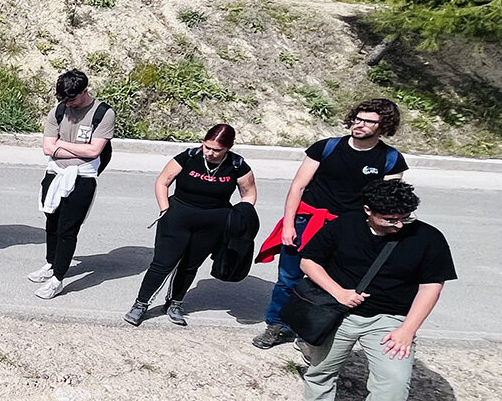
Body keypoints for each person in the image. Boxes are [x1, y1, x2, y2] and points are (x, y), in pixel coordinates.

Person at [279, 179, 456, 401]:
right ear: (368, 211)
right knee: (322, 367)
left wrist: (407, 330)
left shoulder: (428, 238)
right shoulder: (344, 226)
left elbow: (431, 287)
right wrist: (339, 293)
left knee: (395, 377)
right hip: (337, 311)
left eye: (404, 218)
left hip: (391, 318)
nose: (399, 225)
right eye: (390, 219)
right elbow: (308, 261)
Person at [253, 99, 408, 348]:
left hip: (348, 229)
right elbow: (298, 187)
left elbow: (386, 202)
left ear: (384, 125)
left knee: (331, 281)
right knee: (288, 278)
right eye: (358, 118)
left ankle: (311, 333)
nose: (359, 124)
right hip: (307, 220)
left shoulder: (390, 159)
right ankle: (277, 325)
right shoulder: (326, 147)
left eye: (368, 121)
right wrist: (289, 225)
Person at [124, 124, 257, 327]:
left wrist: (241, 216)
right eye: (207, 147)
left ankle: (175, 303)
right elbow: (163, 181)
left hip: (214, 223)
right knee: (162, 264)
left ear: (228, 148)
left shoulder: (238, 165)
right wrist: (164, 208)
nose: (210, 153)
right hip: (178, 216)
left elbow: (248, 194)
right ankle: (140, 304)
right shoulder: (189, 157)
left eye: (216, 150)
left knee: (189, 266)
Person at [32, 69, 115, 299]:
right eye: (63, 99)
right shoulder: (58, 110)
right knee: (52, 222)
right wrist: (72, 149)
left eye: (72, 99)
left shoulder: (103, 113)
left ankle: (58, 278)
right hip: (55, 173)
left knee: (68, 229)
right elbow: (47, 148)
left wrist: (61, 145)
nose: (67, 104)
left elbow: (95, 150)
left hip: (83, 178)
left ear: (85, 91)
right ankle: (50, 264)